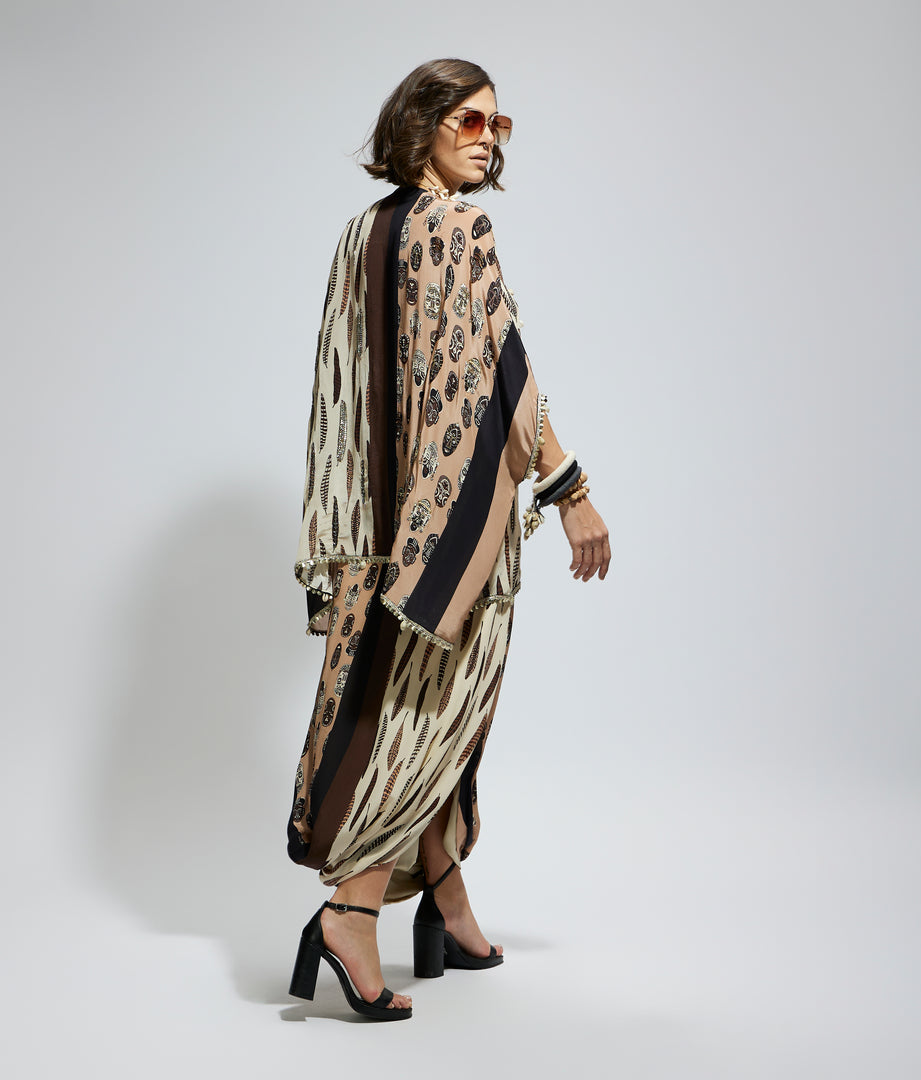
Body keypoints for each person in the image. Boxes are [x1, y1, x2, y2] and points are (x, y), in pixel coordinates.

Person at [286, 58, 610, 1021]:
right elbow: (505, 372)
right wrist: (570, 489)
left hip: (378, 529)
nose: (487, 139)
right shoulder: (461, 228)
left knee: (417, 709)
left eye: (498, 125)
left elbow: (345, 394)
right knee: (429, 717)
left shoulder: (363, 234)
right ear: (421, 123)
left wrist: (359, 538)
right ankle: (350, 915)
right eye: (468, 120)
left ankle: (445, 900)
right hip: (449, 528)